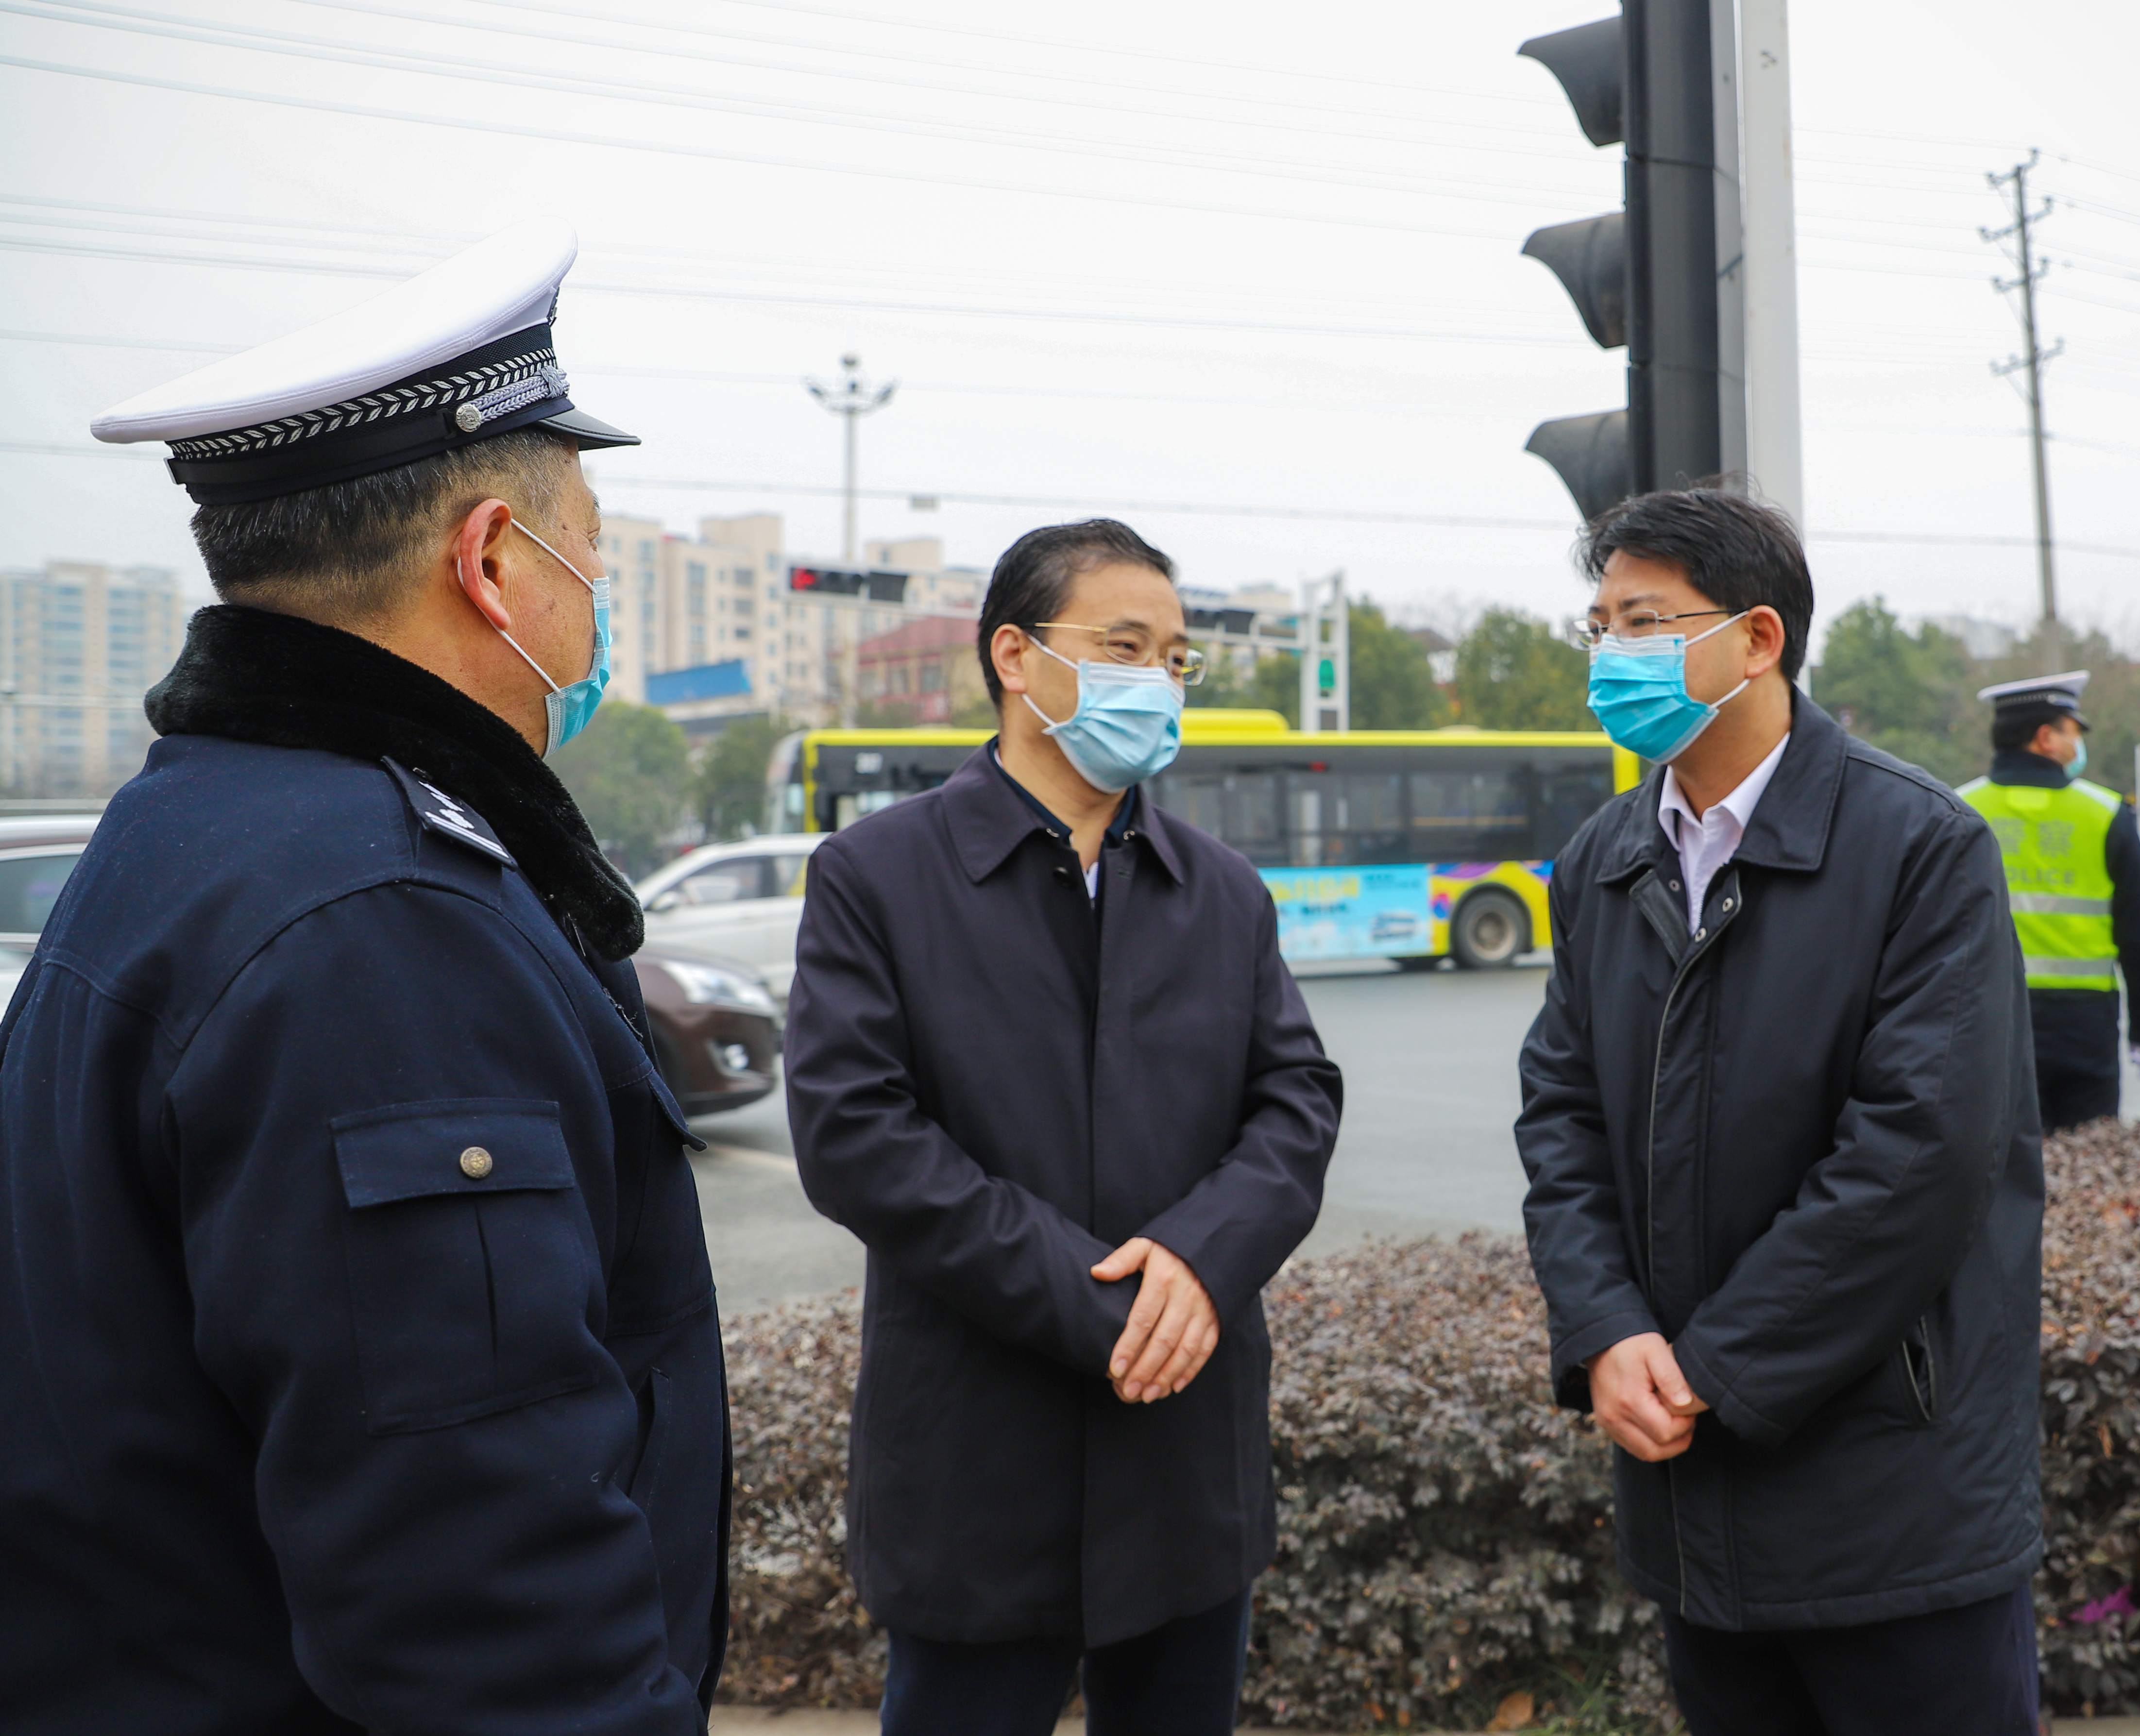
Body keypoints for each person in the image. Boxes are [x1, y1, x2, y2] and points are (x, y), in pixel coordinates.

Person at [0, 221, 728, 1732]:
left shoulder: (193, 828)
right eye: (584, 553)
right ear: (487, 562)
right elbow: (486, 1615)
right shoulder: (384, 931)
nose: (593, 601)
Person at [783, 519, 1342, 1736]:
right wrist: (1107, 1305)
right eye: (1124, 644)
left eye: (1176, 656)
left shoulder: (1222, 891)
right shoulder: (878, 875)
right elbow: (856, 1134)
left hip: (1183, 1457)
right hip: (981, 1459)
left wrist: (1201, 1257)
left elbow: (1295, 1100)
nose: (1156, 678)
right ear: (1017, 659)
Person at [1515, 487, 2046, 1736]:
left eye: (1643, 622)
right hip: (1690, 1497)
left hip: (1890, 1491)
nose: (1610, 656)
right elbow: (1563, 1117)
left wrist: (1711, 1364)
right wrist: (1604, 1329)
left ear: (1758, 637)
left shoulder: (1918, 843)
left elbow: (1918, 1155)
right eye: (1598, 626)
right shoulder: (1603, 859)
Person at [1959, 671, 2140, 1132]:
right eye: (2073, 731)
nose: (2077, 744)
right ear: (2045, 738)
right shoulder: (2105, 813)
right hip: (2083, 1028)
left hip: (1985, 1022)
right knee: (2087, 1170)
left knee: (2000, 1171)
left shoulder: (1958, 811)